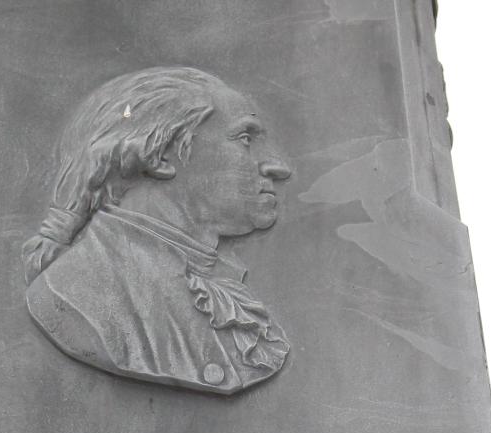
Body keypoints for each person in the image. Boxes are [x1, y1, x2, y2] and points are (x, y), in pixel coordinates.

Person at [24, 66, 292, 395]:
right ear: (160, 155)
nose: (277, 165)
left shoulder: (224, 290)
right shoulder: (75, 295)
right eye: (245, 139)